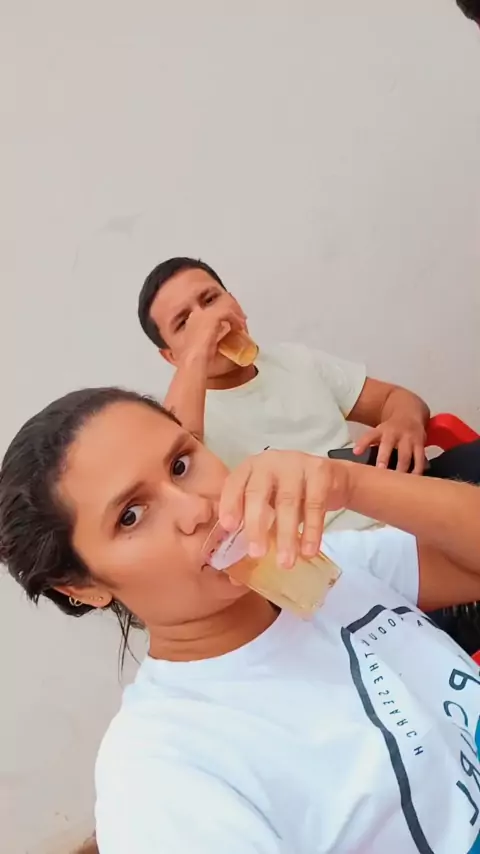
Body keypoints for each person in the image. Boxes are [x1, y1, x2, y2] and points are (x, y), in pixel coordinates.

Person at [1, 387, 480, 854]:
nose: (197, 508)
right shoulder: (164, 775)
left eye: (181, 465)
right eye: (131, 516)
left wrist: (349, 484)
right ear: (81, 587)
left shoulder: (324, 567)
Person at [137, 256, 480, 533]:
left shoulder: (294, 360)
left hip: (399, 500)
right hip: (338, 555)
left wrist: (405, 422)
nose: (208, 321)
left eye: (211, 300)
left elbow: (395, 399)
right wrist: (198, 351)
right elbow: (172, 461)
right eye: (184, 322)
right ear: (172, 357)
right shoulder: (185, 422)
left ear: (235, 302)